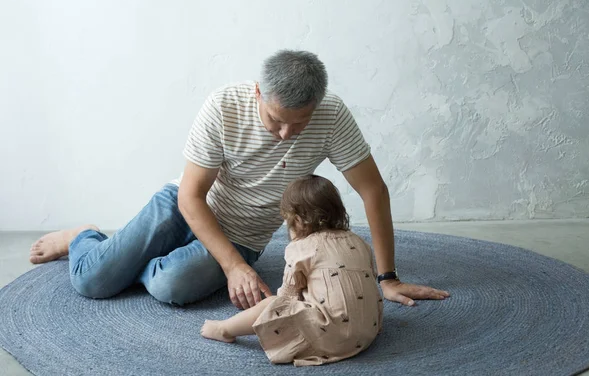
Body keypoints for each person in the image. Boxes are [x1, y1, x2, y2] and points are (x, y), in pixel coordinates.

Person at [29, 50, 449, 308]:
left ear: (316, 106)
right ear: (257, 94)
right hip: (183, 207)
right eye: (275, 120)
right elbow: (192, 198)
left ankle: (135, 260)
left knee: (171, 286)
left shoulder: (332, 115)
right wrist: (233, 269)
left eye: (298, 124)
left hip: (244, 233)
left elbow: (373, 189)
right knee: (91, 281)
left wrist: (387, 277)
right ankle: (84, 235)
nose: (285, 134)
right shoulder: (223, 106)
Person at [202, 175, 384, 366]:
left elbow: (287, 296)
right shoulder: (360, 242)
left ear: (297, 220)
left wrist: (278, 308)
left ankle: (224, 329)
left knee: (273, 304)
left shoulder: (301, 248)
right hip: (367, 331)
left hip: (331, 336)